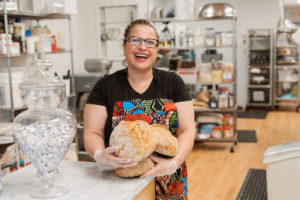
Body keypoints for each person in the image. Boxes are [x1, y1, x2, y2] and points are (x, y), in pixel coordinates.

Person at [83, 19, 195, 200]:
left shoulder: (173, 82)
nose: (143, 47)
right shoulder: (105, 86)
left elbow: (187, 129)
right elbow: (92, 131)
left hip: (169, 179)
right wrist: (99, 155)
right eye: (136, 40)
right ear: (124, 46)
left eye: (150, 42)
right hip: (120, 181)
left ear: (156, 49)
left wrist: (175, 162)